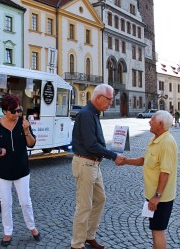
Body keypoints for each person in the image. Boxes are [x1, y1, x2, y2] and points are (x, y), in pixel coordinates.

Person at [71, 84, 124, 249]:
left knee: (100, 199)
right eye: (109, 100)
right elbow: (91, 144)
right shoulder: (86, 114)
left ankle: (89, 235)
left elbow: (96, 143)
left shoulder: (93, 113)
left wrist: (110, 153)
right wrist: (114, 156)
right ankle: (77, 244)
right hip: (86, 163)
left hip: (94, 164)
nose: (110, 104)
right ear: (99, 97)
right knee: (84, 205)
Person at [118, 110, 178, 249]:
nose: (149, 122)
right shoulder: (155, 139)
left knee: (158, 231)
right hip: (153, 196)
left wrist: (157, 197)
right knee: (155, 229)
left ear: (161, 124)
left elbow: (165, 172)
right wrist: (126, 161)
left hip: (161, 198)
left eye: (152, 120)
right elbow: (144, 160)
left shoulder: (167, 142)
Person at [0, 94, 40, 247]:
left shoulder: (23, 123)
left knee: (25, 202)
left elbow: (31, 144)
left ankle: (32, 227)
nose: (16, 114)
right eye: (13, 111)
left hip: (21, 170)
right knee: (6, 203)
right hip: (2, 171)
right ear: (4, 111)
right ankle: (7, 232)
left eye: (18, 110)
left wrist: (26, 130)